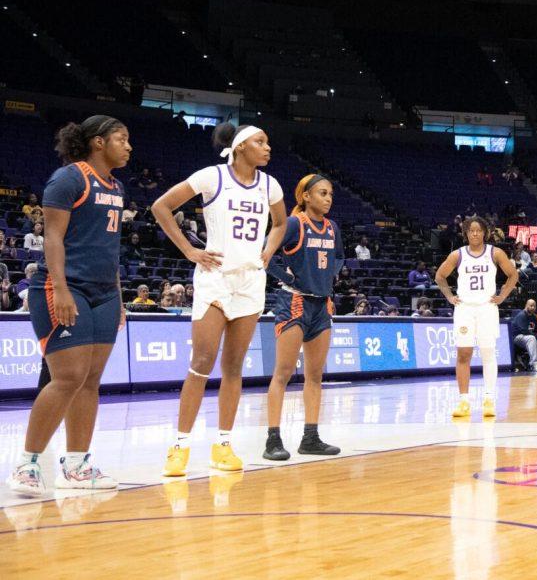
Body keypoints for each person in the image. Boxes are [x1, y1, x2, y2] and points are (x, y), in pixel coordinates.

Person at [152, 122, 286, 477]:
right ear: (241, 146)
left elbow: (280, 223)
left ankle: (223, 445)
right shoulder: (212, 177)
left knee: (233, 368)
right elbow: (161, 207)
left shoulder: (270, 185)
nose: (267, 147)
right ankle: (179, 446)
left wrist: (268, 252)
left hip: (250, 281)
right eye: (260, 141)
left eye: (267, 141)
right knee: (202, 361)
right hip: (215, 278)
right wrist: (189, 250)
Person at [6, 116, 131, 496]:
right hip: (64, 285)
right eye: (121, 139)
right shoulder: (69, 179)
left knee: (91, 380)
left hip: (105, 292)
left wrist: (119, 298)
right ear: (98, 142)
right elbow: (53, 238)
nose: (128, 147)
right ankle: (27, 464)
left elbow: (110, 249)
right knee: (68, 377)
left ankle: (77, 464)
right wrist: (59, 288)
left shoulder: (117, 185)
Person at [262, 174, 345, 461]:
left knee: (315, 375)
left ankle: (310, 437)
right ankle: (273, 439)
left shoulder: (333, 227)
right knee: (283, 373)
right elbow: (266, 253)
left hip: (321, 305)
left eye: (330, 194)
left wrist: (328, 278)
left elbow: (339, 257)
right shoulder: (295, 223)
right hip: (294, 301)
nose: (328, 198)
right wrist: (286, 275)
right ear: (306, 196)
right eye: (322, 193)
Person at [435, 216, 519, 418]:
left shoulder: (495, 253)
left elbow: (513, 275)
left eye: (478, 230)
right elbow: (440, 276)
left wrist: (502, 297)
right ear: (466, 233)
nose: (475, 233)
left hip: (486, 309)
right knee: (463, 355)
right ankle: (464, 402)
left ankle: (489, 399)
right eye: (471, 230)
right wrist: (449, 296)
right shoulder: (458, 255)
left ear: (484, 233)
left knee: (488, 354)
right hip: (465, 309)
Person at [509, 299, 537, 372]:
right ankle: (534, 363)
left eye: (534, 306)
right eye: (531, 306)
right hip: (517, 337)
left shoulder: (534, 317)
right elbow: (524, 331)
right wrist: (536, 336)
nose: (533, 307)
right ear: (526, 305)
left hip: (529, 337)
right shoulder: (521, 315)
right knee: (532, 338)